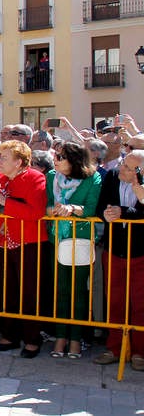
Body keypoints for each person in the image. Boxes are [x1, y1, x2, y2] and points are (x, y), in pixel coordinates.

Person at [0, 140, 48, 358]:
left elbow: (35, 212)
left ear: (18, 162)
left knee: (30, 292)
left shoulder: (36, 177)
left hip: (28, 243)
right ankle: (9, 334)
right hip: (1, 241)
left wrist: (6, 203)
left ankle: (32, 338)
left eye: (4, 157)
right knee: (6, 290)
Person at [45, 141, 102, 359]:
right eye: (55, 156)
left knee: (78, 290)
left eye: (60, 157)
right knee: (60, 289)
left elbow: (91, 207)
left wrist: (72, 209)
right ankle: (60, 336)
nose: (55, 161)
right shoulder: (51, 176)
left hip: (81, 239)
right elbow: (48, 204)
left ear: (74, 160)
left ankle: (76, 338)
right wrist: (53, 210)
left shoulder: (92, 178)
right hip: (57, 238)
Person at [92, 149, 144, 371]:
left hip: (141, 250)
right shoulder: (112, 176)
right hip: (115, 248)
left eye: (128, 167)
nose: (121, 169)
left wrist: (124, 211)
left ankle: (140, 352)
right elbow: (101, 204)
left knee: (140, 304)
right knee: (114, 300)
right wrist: (108, 213)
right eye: (123, 164)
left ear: (139, 171)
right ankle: (115, 348)